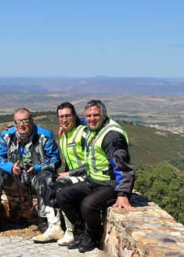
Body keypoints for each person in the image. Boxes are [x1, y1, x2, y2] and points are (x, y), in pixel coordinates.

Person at [56, 100, 134, 253]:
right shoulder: (95, 126)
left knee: (88, 205)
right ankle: (80, 233)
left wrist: (123, 193)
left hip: (111, 184)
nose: (91, 119)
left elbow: (122, 166)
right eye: (89, 115)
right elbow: (81, 120)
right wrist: (66, 124)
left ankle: (93, 236)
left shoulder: (111, 136)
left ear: (104, 115)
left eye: (96, 115)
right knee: (64, 195)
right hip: (93, 180)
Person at [0, 108, 61, 239]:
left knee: (46, 179)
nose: (22, 125)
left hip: (37, 174)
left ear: (32, 121)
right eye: (19, 122)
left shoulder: (45, 136)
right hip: (13, 176)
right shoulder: (6, 135)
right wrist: (10, 167)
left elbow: (55, 160)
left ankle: (43, 220)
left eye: (25, 121)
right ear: (14, 123)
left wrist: (37, 168)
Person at [52, 102, 88, 245]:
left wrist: (70, 174)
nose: (64, 120)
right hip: (75, 176)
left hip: (87, 175)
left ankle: (73, 230)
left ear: (74, 116)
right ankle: (55, 226)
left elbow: (91, 163)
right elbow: (68, 161)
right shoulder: (64, 136)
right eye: (61, 117)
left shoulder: (84, 133)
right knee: (50, 182)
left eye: (67, 116)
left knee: (61, 185)